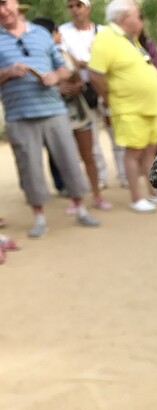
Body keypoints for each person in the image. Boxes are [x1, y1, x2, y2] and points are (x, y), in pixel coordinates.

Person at [0, 0, 101, 238]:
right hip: (19, 116)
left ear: (16, 5)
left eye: (5, 3)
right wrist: (8, 72)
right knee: (29, 168)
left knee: (68, 161)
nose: (2, 11)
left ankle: (81, 209)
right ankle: (39, 218)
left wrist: (55, 76)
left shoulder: (43, 34)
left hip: (54, 111)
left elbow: (63, 68)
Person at [88, 0, 157, 214]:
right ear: (123, 17)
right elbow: (95, 74)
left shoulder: (131, 40)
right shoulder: (106, 37)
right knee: (134, 153)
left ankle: (152, 192)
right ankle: (136, 197)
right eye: (137, 15)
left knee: (151, 150)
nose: (140, 20)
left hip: (149, 107)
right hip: (129, 107)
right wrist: (110, 98)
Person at [33, 16, 111, 213]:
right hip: (55, 113)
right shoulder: (37, 58)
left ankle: (96, 195)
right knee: (66, 157)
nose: (59, 36)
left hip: (78, 110)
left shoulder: (65, 54)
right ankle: (75, 199)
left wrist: (75, 84)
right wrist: (58, 89)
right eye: (55, 32)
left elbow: (77, 77)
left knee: (88, 153)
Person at [59, 0, 126, 188]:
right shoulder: (63, 32)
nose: (74, 10)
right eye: (71, 6)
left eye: (78, 5)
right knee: (91, 139)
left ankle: (123, 174)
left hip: (105, 87)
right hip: (80, 91)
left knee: (116, 133)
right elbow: (65, 61)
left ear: (87, 7)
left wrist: (84, 63)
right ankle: (100, 177)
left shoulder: (103, 32)